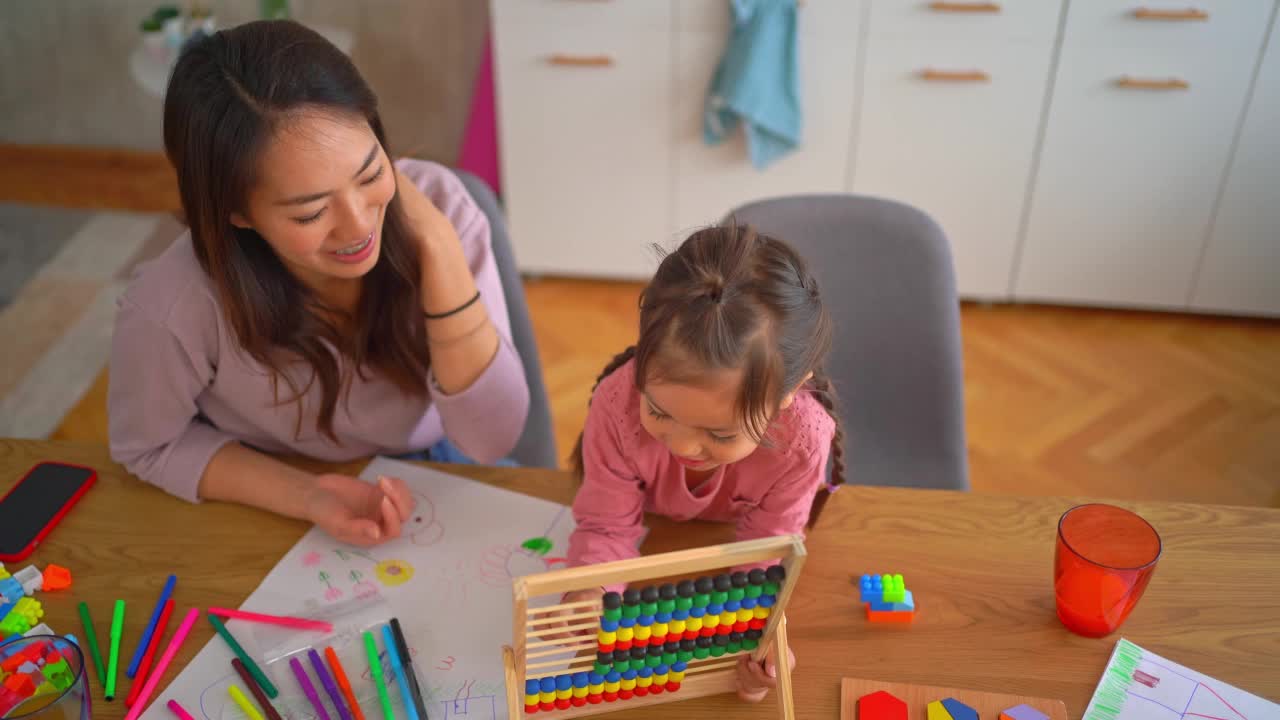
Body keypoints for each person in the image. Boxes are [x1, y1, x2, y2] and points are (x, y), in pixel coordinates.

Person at [108, 20, 529, 547]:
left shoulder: (440, 210)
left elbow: (491, 440)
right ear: (236, 212)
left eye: (371, 173)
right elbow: (149, 445)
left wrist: (440, 251)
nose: (358, 226)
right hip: (274, 478)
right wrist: (308, 495)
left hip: (445, 458)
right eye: (310, 212)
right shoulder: (172, 306)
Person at [561, 223, 845, 701]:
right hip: (661, 537)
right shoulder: (616, 403)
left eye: (719, 433)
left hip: (723, 545)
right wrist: (590, 593)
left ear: (790, 395)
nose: (683, 447)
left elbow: (765, 549)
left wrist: (757, 641)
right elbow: (607, 527)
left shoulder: (802, 441)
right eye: (659, 411)